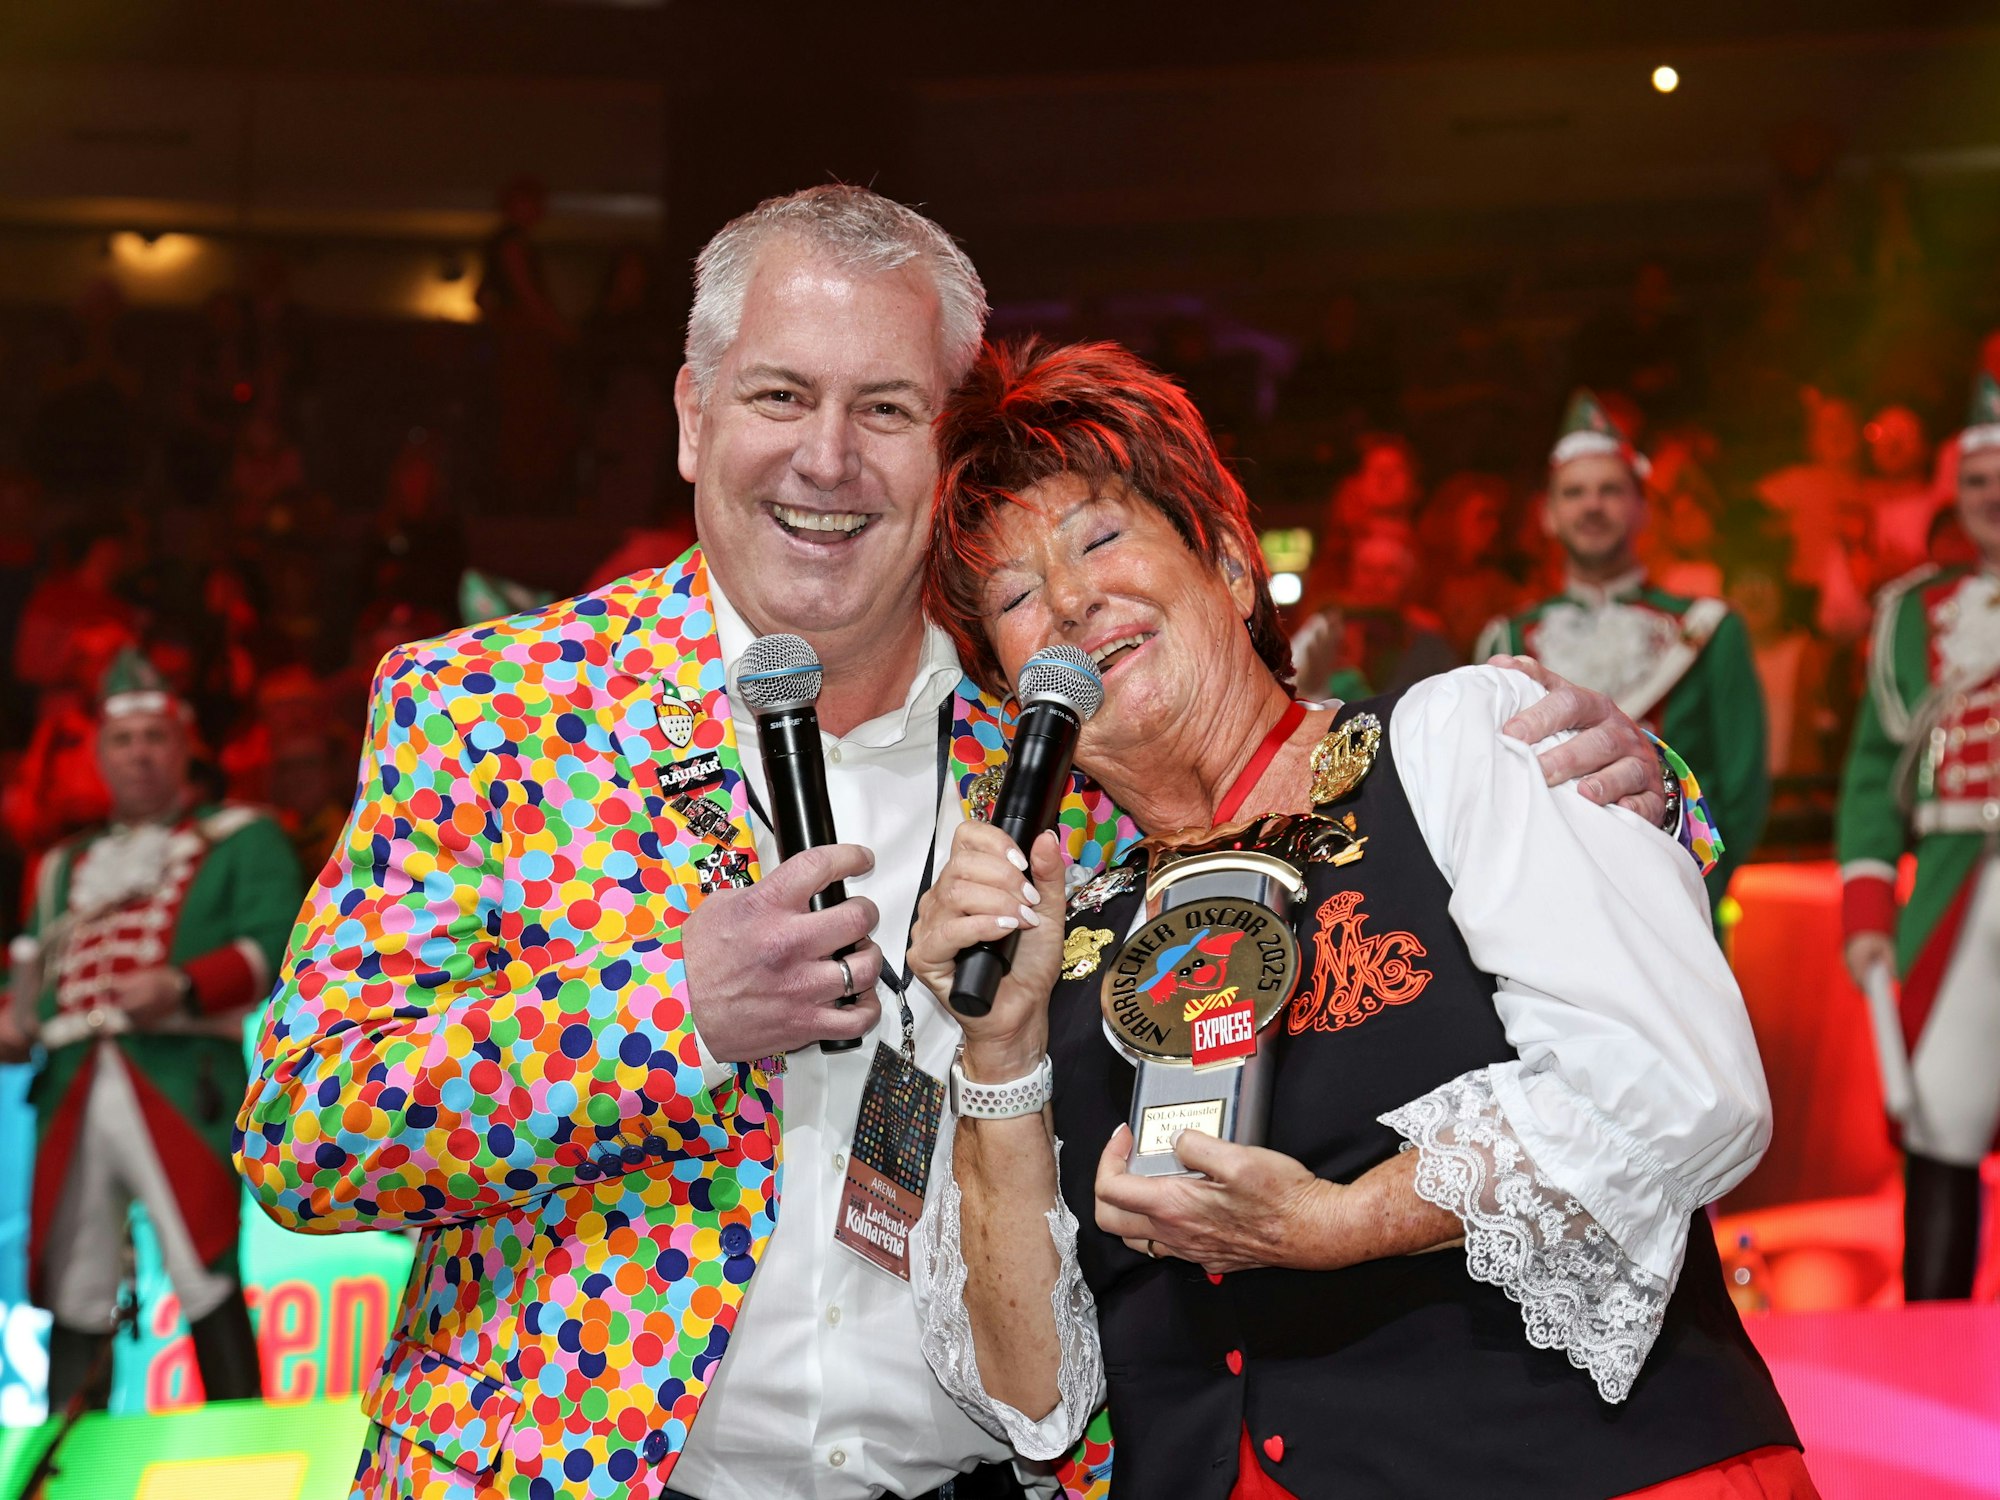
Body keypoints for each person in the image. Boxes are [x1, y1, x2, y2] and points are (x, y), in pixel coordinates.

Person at [237, 187, 1698, 1500]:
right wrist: (669, 1016)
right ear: (691, 415)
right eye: (779, 395)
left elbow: (1335, 796)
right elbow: (305, 1134)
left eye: (885, 409)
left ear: (951, 452)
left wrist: (1645, 784)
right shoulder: (493, 709)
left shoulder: (1070, 728)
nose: (826, 458)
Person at [909, 337, 1808, 1500]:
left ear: (1228, 566)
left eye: (1099, 539)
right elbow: (1028, 1403)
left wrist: (1341, 1223)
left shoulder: (1450, 741)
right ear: (1006, 684)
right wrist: (996, 1053)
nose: (1071, 602)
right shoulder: (1047, 943)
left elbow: (1681, 1087)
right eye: (1014, 595)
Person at [0, 648, 300, 1409]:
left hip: (179, 1077)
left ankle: (238, 1441)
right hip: (71, 1082)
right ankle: (67, 1456)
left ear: (184, 747)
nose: (139, 755)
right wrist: (13, 1018)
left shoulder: (241, 836)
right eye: (123, 741)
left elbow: (282, 939)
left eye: (155, 738)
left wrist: (183, 984)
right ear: (100, 757)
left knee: (205, 1267)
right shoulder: (62, 866)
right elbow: (31, 977)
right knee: (76, 1278)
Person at [1836, 370, 2000, 1303]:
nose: (1993, 496)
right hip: (1952, 882)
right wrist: (1868, 909)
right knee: (1944, 1125)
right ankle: (1933, 1337)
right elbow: (1874, 772)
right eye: (1977, 480)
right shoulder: (1916, 612)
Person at [1478, 390, 1770, 907]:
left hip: (1675, 895)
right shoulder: (1506, 639)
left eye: (1610, 490)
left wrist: (1691, 892)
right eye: (1574, 492)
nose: (1592, 504)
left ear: (1643, 510)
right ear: (1548, 514)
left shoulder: (1709, 630)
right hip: (1547, 903)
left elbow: (1741, 794)